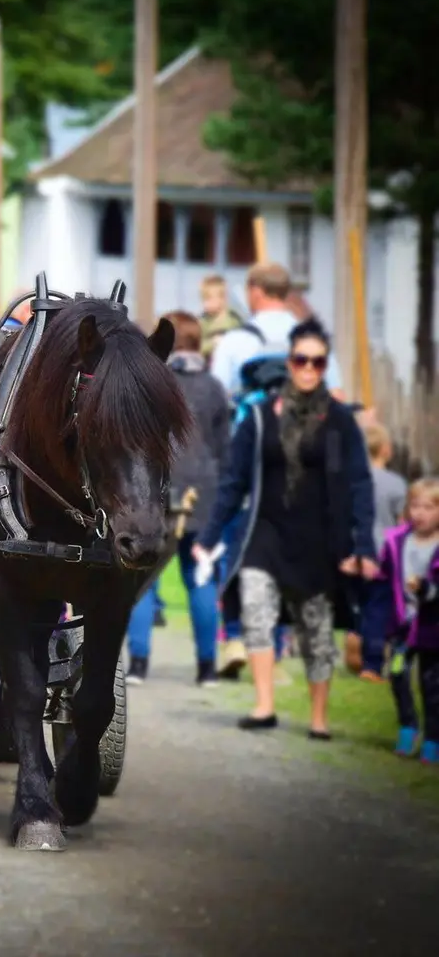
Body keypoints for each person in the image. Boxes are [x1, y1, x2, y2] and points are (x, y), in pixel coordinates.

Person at [192, 319, 376, 737]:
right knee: (257, 610)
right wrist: (208, 536)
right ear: (289, 362)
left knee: (315, 628)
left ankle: (318, 719)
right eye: (301, 360)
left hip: (318, 540)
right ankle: (264, 706)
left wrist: (361, 544)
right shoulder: (259, 418)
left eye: (317, 361)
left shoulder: (340, 421)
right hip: (265, 533)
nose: (309, 368)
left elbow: (360, 483)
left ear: (325, 365)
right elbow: (233, 482)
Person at [126, 311, 229, 687]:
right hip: (203, 495)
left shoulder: (156, 383)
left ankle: (138, 664)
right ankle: (206, 669)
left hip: (160, 489)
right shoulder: (214, 388)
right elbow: (223, 449)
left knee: (145, 580)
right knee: (200, 578)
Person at [208, 262, 344, 401]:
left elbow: (215, 399)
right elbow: (336, 395)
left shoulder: (233, 341)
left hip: (253, 421)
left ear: (256, 292)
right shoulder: (314, 341)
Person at [379, 476, 439, 764]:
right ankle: (408, 726)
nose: (420, 513)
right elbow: (382, 576)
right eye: (415, 506)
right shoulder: (396, 541)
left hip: (432, 628)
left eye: (428, 507)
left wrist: (427, 589)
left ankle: (432, 738)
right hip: (402, 625)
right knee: (398, 673)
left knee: (432, 685)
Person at [345, 424, 407, 681]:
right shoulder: (395, 483)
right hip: (383, 554)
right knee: (379, 608)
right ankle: (371, 663)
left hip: (352, 550)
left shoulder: (349, 480)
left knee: (356, 604)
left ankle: (353, 636)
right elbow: (404, 523)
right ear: (386, 450)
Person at [198, 274, 244, 362]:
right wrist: (212, 343)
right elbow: (195, 347)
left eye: (208, 299)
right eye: (203, 299)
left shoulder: (234, 321)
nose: (205, 303)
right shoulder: (202, 321)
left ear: (223, 298)